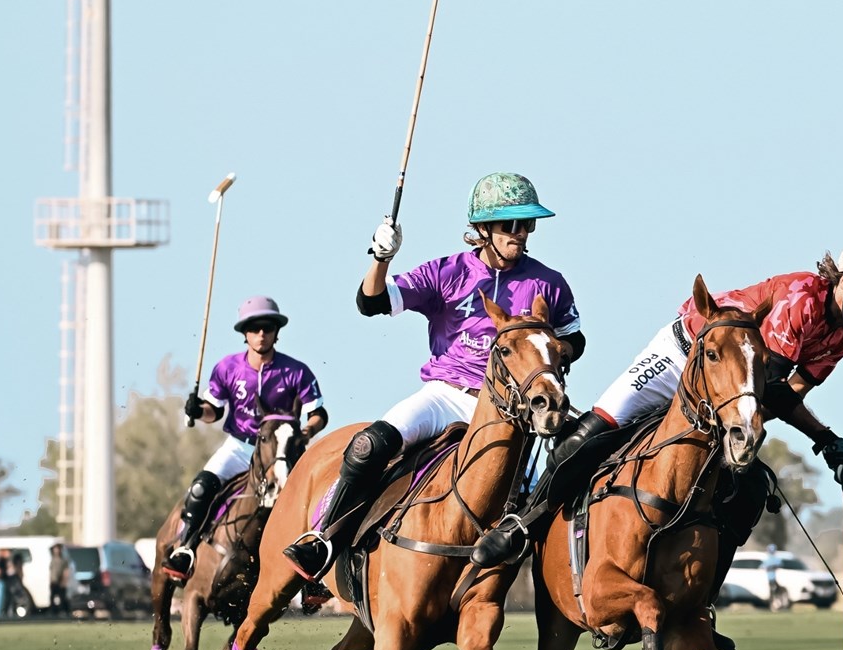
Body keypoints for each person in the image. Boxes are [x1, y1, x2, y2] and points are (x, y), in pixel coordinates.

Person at [471, 234, 843, 568]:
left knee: (749, 490)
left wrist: (819, 436)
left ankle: (700, 602)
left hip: (726, 392)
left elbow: (790, 395)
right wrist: (821, 435)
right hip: (681, 355)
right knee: (597, 430)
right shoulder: (802, 299)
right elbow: (775, 387)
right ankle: (523, 523)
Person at [283, 172, 585, 581]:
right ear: (482, 229)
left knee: (579, 462)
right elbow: (371, 302)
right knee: (368, 447)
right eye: (510, 224)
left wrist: (543, 354)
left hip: (515, 408)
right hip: (446, 396)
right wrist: (380, 256)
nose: (521, 233)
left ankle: (572, 579)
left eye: (527, 224)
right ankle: (324, 539)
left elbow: (574, 341)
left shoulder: (548, 282)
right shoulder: (446, 272)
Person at [162, 295, 328, 581]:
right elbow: (213, 411)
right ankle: (185, 549)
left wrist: (305, 432)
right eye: (254, 328)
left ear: (277, 331)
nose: (261, 334)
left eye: (267, 327)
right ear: (244, 333)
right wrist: (196, 410)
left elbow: (318, 413)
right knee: (201, 488)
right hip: (240, 447)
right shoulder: (228, 368)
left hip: (283, 451)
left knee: (312, 502)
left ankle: (315, 573)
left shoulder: (296, 371)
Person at [48, 543, 71, 617]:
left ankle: (63, 611)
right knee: (52, 597)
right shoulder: (53, 559)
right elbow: (51, 571)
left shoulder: (63, 560)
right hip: (53, 581)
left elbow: (66, 571)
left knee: (62, 598)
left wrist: (64, 581)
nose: (56, 550)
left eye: (57, 549)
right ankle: (53, 611)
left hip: (60, 581)